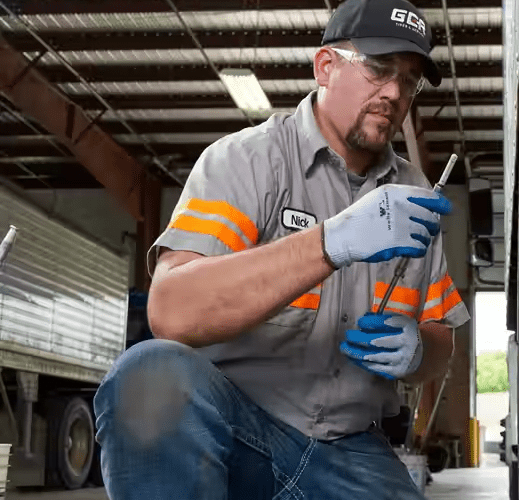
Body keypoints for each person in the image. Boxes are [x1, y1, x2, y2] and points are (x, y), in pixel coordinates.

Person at [92, 0, 470, 498]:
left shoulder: (415, 197)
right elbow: (171, 311)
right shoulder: (246, 162)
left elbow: (441, 340)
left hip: (351, 448)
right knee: (149, 377)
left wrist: (419, 350)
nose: (395, 92)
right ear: (326, 67)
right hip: (239, 430)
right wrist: (330, 242)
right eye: (379, 68)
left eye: (410, 78)